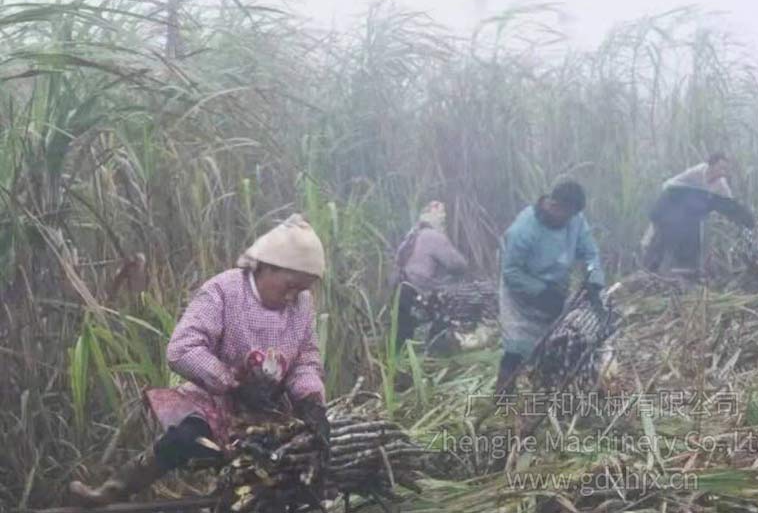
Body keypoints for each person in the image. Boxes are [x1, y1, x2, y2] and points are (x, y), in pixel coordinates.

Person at [69, 214, 330, 506]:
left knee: (294, 462)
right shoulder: (225, 290)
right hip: (217, 401)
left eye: (302, 290)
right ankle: (113, 490)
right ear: (266, 267)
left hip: (271, 411)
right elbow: (182, 348)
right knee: (186, 438)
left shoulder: (301, 306)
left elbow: (305, 358)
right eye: (289, 286)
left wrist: (310, 398)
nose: (292, 296)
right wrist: (229, 380)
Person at [495, 181, 605, 395]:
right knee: (517, 345)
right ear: (554, 205)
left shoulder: (575, 219)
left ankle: (551, 388)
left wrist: (594, 277)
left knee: (557, 339)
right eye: (567, 214)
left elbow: (590, 253)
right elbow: (511, 272)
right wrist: (540, 291)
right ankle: (503, 394)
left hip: (556, 286)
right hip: (520, 290)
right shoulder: (523, 230)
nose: (570, 220)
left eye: (574, 215)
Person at [641, 153, 755, 273]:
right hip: (670, 204)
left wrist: (748, 222)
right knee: (662, 238)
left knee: (692, 233)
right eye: (721, 168)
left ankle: (687, 270)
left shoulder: (721, 185)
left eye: (726, 169)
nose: (723, 173)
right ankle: (649, 270)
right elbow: (670, 187)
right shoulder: (696, 173)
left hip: (690, 214)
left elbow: (729, 204)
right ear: (711, 165)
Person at [388, 201, 468, 352]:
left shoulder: (409, 237)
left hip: (398, 292)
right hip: (416, 293)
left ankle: (398, 366)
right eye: (441, 214)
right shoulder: (433, 236)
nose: (444, 218)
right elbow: (457, 265)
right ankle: (436, 355)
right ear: (432, 216)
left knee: (403, 340)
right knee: (441, 321)